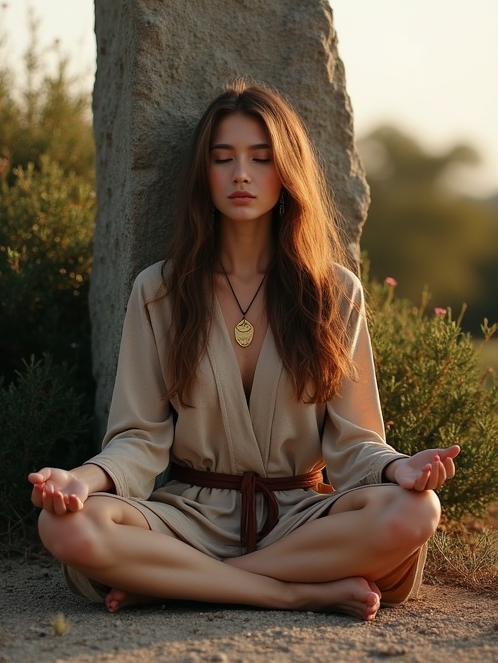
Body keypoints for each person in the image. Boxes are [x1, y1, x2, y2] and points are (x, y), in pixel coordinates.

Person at [29, 80, 459, 621]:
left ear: (287, 171)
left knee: (414, 513)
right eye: (223, 158)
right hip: (189, 519)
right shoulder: (159, 291)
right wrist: (79, 480)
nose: (241, 174)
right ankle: (292, 591)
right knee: (63, 524)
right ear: (202, 174)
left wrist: (399, 469)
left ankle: (177, 584)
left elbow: (354, 444)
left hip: (304, 519)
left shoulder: (334, 291)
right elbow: (138, 439)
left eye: (261, 158)